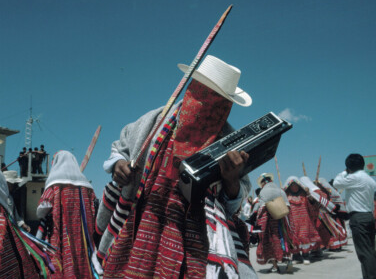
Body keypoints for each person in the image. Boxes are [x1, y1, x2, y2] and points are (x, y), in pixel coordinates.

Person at [97, 55, 256, 278]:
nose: (207, 102)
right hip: (144, 220)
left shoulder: (230, 140)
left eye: (217, 99)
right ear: (191, 88)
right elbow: (121, 146)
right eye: (202, 92)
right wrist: (118, 164)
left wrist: (231, 181)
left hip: (197, 236)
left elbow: (237, 199)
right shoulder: (154, 121)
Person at [36, 150, 101, 278]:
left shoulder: (54, 185)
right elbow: (95, 207)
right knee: (84, 261)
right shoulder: (86, 187)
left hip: (61, 236)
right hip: (83, 239)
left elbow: (42, 209)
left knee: (63, 263)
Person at [333, 153, 376, 279]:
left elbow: (337, 183)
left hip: (358, 218)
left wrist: (344, 172)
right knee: (370, 251)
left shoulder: (355, 178)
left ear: (349, 166)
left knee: (364, 253)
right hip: (368, 216)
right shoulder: (369, 179)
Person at [0, 170, 45, 278]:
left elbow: (15, 215)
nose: (13, 187)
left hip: (13, 229)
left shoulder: (9, 198)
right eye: (12, 184)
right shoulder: (5, 199)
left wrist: (23, 224)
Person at [283, 176, 321, 265]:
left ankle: (305, 256)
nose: (294, 187)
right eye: (292, 185)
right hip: (292, 220)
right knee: (294, 238)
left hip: (305, 220)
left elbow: (312, 205)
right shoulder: (285, 195)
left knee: (304, 237)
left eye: (296, 185)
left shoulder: (304, 194)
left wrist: (309, 195)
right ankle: (297, 256)